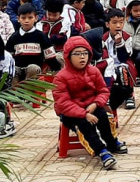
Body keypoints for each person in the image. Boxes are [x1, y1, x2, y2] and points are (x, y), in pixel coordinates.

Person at [53, 36, 124, 169]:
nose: (82, 57)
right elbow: (63, 103)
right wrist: (84, 114)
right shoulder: (60, 77)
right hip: (71, 113)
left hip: (91, 106)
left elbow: (103, 91)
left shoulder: (93, 71)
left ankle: (112, 143)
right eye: (77, 54)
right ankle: (102, 152)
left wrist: (96, 104)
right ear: (68, 56)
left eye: (85, 53)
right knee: (85, 124)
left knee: (102, 115)